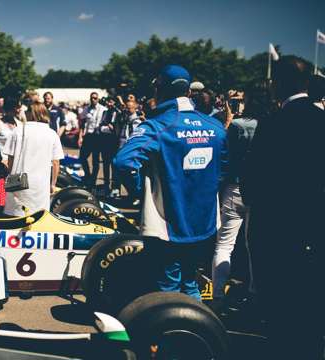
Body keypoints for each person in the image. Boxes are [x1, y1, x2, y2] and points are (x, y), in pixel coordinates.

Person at [114, 65, 228, 300]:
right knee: (191, 282)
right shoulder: (216, 127)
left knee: (168, 286)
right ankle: (194, 332)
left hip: (169, 223)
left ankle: (170, 334)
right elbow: (225, 168)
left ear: (161, 89)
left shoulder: (157, 126)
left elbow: (124, 162)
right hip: (204, 221)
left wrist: (139, 191)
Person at [244, 56, 324, 358]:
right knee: (312, 301)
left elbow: (252, 179)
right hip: (315, 226)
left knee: (278, 306)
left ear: (280, 82)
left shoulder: (274, 122)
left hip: (275, 227)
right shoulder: (321, 120)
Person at [211, 90, 261, 309]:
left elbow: (225, 154)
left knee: (224, 244)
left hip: (235, 186)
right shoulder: (269, 124)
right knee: (255, 245)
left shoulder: (237, 125)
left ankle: (218, 293)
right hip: (260, 189)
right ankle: (254, 292)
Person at [4, 100, 63, 216]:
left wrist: (10, 174)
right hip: (40, 184)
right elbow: (56, 162)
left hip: (18, 181)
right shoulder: (52, 134)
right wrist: (53, 184)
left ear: (32, 114)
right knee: (38, 216)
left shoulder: (17, 130)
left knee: (15, 216)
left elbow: (10, 158)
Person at [78, 92, 107, 188]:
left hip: (98, 137)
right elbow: (81, 121)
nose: (93, 100)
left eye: (95, 98)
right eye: (92, 98)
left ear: (98, 99)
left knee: (95, 160)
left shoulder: (103, 109)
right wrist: (80, 136)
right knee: (82, 157)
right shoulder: (86, 109)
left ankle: (93, 180)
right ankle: (88, 175)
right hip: (88, 136)